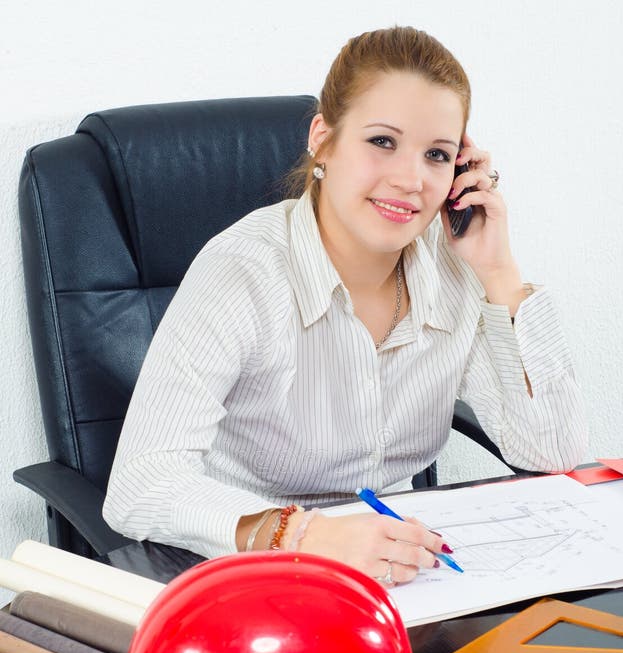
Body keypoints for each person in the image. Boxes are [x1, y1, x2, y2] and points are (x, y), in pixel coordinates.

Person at [103, 26, 587, 586]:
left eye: (436, 154)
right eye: (382, 141)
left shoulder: (454, 270)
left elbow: (552, 452)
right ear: (323, 140)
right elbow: (139, 486)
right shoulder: (242, 270)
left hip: (396, 573)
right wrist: (306, 536)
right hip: (249, 570)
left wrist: (500, 273)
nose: (410, 180)